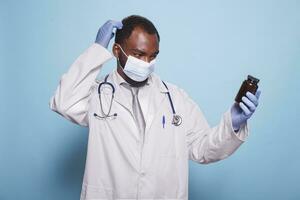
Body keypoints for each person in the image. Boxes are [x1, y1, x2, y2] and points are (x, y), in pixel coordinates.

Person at [49, 15, 261, 200]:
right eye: (139, 55)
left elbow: (203, 149)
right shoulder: (97, 95)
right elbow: (64, 101)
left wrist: (232, 124)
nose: (146, 63)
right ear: (116, 50)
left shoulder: (174, 98)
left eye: (153, 56)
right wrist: (96, 50)